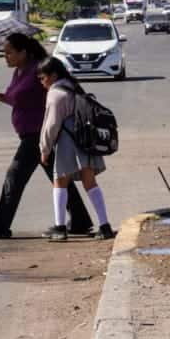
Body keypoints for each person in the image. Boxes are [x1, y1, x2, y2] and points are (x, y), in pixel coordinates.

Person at [0, 33, 94, 239]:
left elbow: (56, 95)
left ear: (23, 52)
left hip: (39, 134)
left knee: (14, 177)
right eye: (4, 53)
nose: (5, 56)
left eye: (9, 52)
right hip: (30, 134)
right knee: (59, 177)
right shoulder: (19, 72)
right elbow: (17, 100)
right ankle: (80, 220)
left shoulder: (37, 70)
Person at [37, 57, 115, 242]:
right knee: (90, 182)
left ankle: (60, 228)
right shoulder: (73, 87)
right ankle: (104, 226)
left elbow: (51, 125)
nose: (41, 82)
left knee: (59, 181)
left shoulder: (56, 94)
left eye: (42, 78)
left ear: (53, 75)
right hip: (83, 140)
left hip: (67, 142)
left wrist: (45, 148)